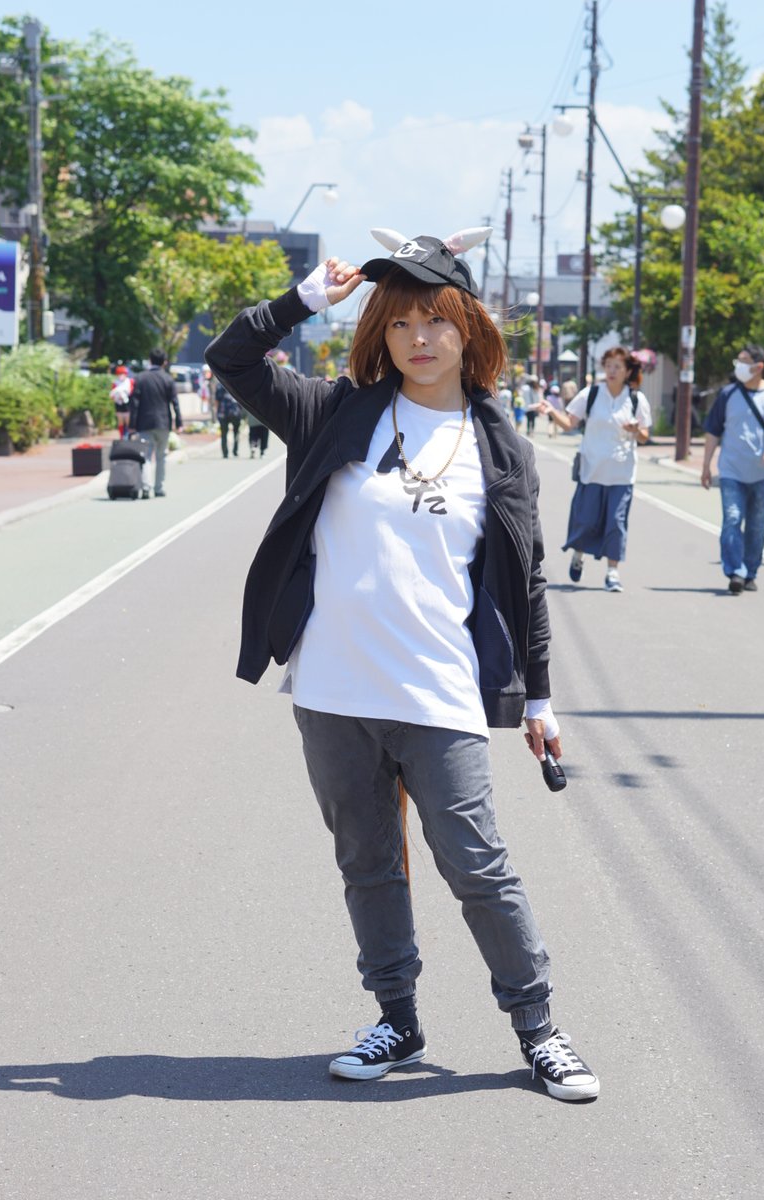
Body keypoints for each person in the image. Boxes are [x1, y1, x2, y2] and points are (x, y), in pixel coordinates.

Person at [205, 227, 599, 1102]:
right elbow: (229, 360)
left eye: (435, 320)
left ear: (469, 328)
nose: (418, 338)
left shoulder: (500, 447)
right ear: (378, 332)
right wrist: (304, 300)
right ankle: (397, 1017)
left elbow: (526, 578)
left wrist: (539, 697)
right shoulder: (334, 412)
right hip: (333, 690)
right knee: (368, 863)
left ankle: (539, 1028)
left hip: (439, 690)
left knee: (476, 864)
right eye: (399, 323)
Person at [539, 346, 651, 593]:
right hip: (591, 471)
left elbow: (644, 436)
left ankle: (612, 573)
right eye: (608, 365)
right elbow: (570, 423)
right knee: (586, 521)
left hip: (622, 474)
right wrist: (552, 412)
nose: (612, 370)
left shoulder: (636, 399)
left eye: (617, 366)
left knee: (616, 523)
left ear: (627, 371)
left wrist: (636, 430)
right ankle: (579, 554)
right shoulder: (591, 394)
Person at [701, 345, 764, 593]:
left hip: (763, 474)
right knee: (732, 519)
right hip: (731, 471)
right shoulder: (727, 394)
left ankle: (750, 571)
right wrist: (706, 466)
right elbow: (713, 431)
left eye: (744, 361)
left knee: (756, 526)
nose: (738, 366)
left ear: (759, 366)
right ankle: (735, 571)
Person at [129, 349, 182, 498]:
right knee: (161, 456)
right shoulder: (168, 379)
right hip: (163, 423)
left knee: (145, 456)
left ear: (150, 360)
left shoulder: (140, 378)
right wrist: (179, 422)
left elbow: (134, 403)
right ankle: (159, 488)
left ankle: (146, 487)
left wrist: (132, 424)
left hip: (144, 423)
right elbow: (175, 402)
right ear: (164, 362)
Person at [216, 380, 243, 458]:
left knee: (224, 433)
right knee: (236, 432)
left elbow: (217, 400)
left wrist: (217, 412)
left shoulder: (220, 385)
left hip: (223, 412)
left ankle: (225, 452)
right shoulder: (237, 382)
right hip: (235, 411)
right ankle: (235, 451)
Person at [110, 365, 133, 439]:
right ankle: (121, 436)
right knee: (120, 421)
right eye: (119, 374)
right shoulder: (115, 383)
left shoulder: (129, 381)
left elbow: (131, 392)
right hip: (118, 404)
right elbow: (112, 394)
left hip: (127, 404)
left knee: (128, 421)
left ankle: (128, 436)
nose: (121, 375)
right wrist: (117, 396)